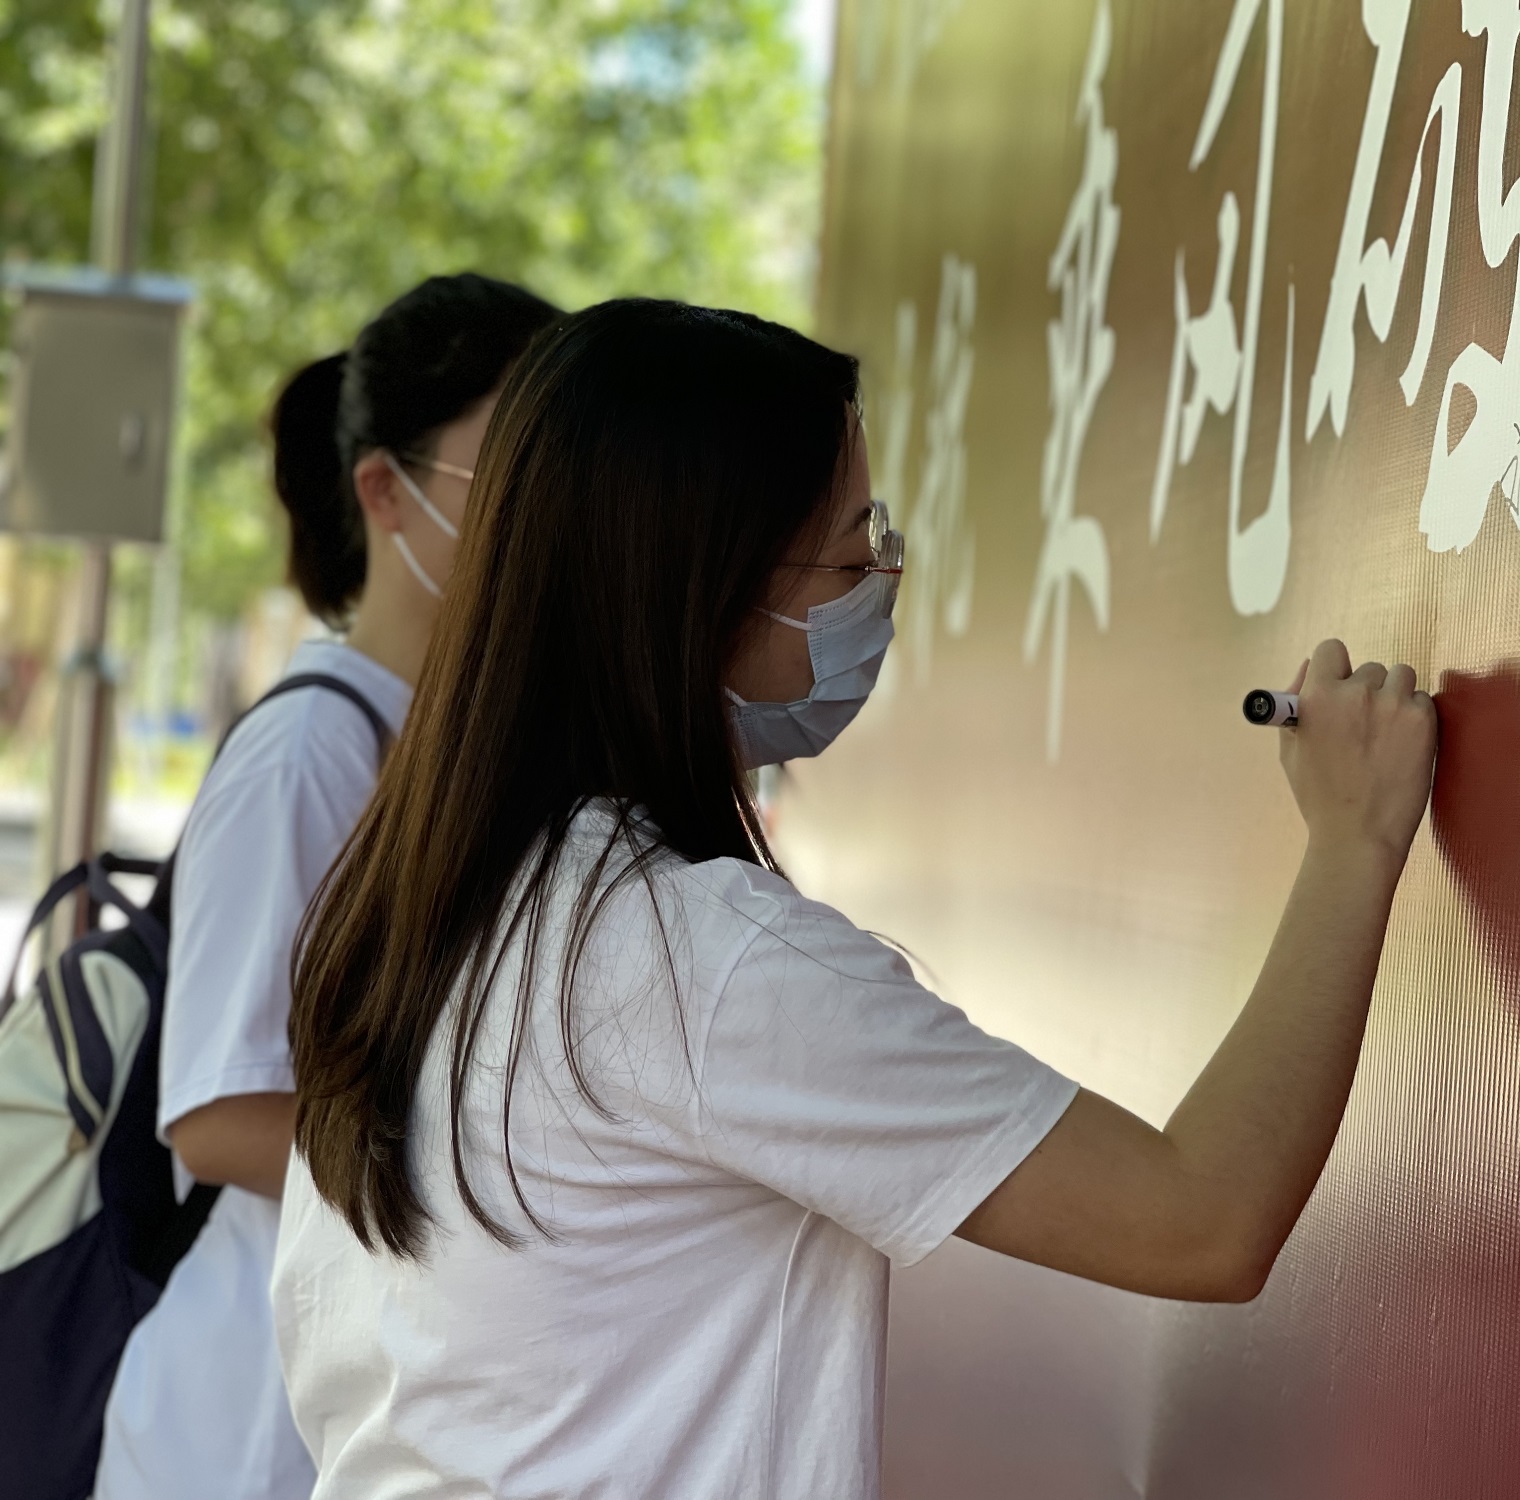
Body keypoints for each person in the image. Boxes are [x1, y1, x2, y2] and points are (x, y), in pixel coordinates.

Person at [276, 299, 1438, 1499]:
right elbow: (1199, 1216)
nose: (881, 580)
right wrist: (1351, 843)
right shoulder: (695, 960)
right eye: (848, 554)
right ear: (700, 590)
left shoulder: (413, 908)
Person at [94, 274, 560, 1500]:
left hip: (349, 1415)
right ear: (384, 492)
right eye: (505, 463)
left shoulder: (446, 747)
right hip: (240, 1430)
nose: (545, 508)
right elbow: (220, 1114)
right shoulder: (311, 753)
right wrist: (514, 1169)